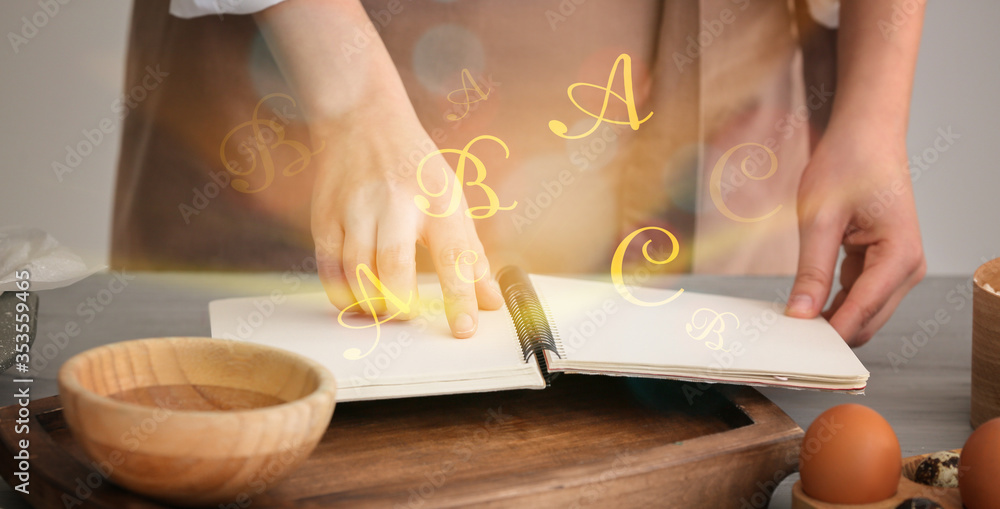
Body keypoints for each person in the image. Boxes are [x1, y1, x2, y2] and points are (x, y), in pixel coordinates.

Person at [111, 0, 925, 346]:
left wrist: (876, 103)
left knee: (705, 423)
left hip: (737, 82)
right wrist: (351, 95)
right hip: (340, 48)